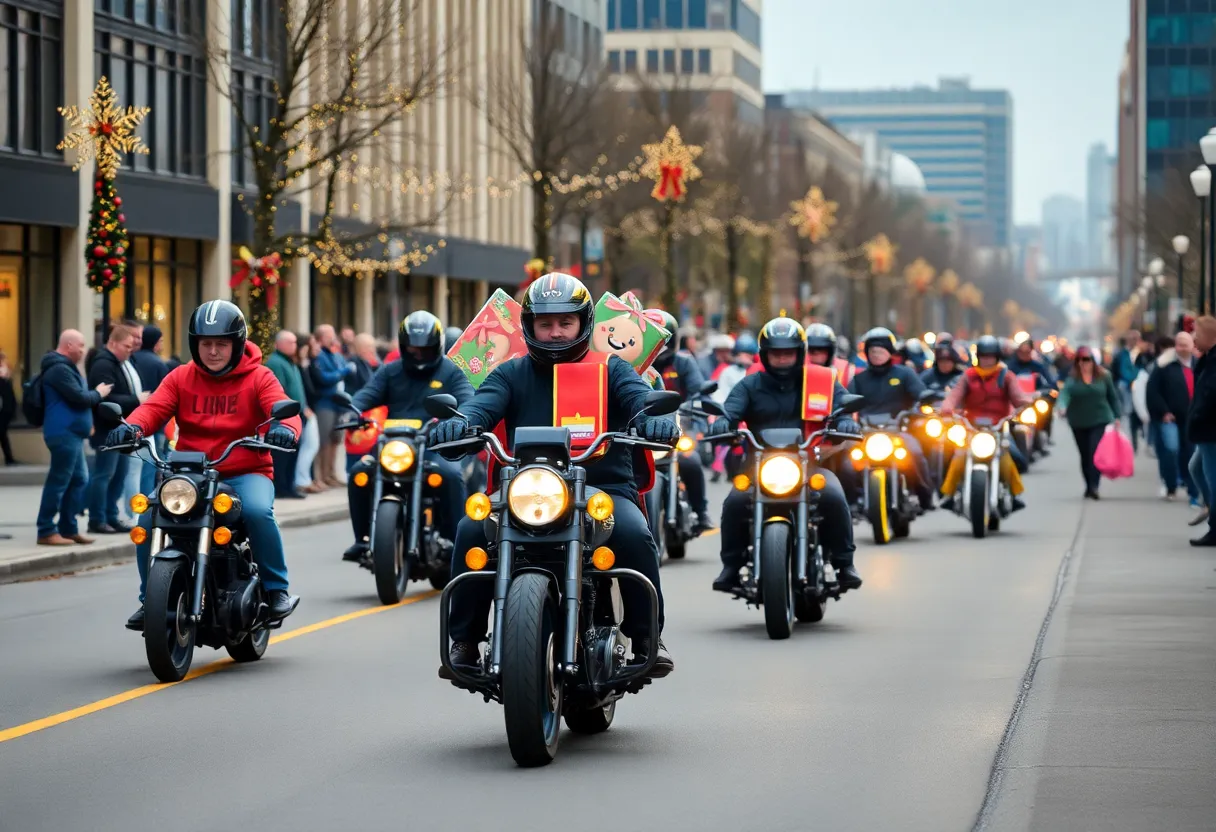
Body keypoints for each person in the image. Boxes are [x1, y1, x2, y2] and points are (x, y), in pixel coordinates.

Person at [430, 273, 677, 677]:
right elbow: (482, 407)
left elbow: (637, 400)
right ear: (529, 326)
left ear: (584, 324)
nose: (556, 332)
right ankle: (466, 640)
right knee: (471, 530)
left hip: (603, 488)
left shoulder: (612, 368)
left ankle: (648, 637)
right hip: (526, 492)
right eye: (545, 324)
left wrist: (652, 418)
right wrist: (461, 423)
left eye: (566, 323)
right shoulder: (511, 372)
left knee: (633, 532)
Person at [107, 300, 303, 630]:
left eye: (221, 344)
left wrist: (285, 429)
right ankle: (149, 600)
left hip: (245, 471)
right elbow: (153, 408)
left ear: (237, 343)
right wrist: (131, 427)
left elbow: (282, 410)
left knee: (257, 511)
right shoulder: (181, 376)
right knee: (148, 516)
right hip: (188, 474)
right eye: (206, 344)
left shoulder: (260, 376)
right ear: (195, 345)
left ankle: (276, 590)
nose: (213, 351)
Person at [708, 317, 863, 592]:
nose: (782, 359)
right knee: (735, 500)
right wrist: (724, 422)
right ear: (765, 355)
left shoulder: (821, 380)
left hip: (809, 465)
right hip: (757, 469)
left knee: (834, 494)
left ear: (799, 353)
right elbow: (730, 410)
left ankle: (843, 563)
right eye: (775, 353)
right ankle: (730, 566)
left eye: (788, 353)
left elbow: (842, 405)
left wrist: (846, 421)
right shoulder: (750, 384)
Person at [342, 311, 473, 562]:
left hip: (436, 444)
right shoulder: (390, 371)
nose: (419, 354)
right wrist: (352, 413)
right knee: (359, 473)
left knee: (449, 474)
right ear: (403, 346)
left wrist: (459, 420)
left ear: (438, 345)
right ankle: (363, 539)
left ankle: (457, 542)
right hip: (395, 444)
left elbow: (465, 400)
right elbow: (367, 394)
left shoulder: (451, 372)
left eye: (425, 349)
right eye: (413, 348)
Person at [938, 335, 1032, 511]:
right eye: (983, 357)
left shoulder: (1007, 376)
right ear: (978, 357)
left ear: (997, 357)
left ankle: (1014, 494)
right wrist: (946, 408)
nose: (987, 360)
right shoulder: (968, 376)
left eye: (990, 357)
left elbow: (1018, 397)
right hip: (971, 427)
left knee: (1008, 458)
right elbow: (954, 395)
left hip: (998, 427)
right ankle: (948, 495)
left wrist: (1026, 403)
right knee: (959, 456)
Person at [36, 330, 111, 545]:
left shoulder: (64, 368)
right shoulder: (59, 369)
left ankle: (68, 528)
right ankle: (46, 530)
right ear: (69, 345)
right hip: (63, 434)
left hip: (72, 434)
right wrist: (98, 393)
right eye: (80, 345)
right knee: (59, 480)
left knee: (79, 479)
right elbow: (79, 398)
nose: (83, 350)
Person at [847, 327, 935, 509]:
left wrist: (926, 398)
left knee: (915, 453)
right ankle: (852, 502)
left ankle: (924, 497)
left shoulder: (905, 374)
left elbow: (920, 393)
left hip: (898, 433)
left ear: (890, 353)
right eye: (872, 351)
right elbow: (847, 401)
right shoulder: (859, 379)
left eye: (880, 351)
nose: (876, 355)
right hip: (866, 435)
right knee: (847, 462)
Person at [650, 310, 713, 531]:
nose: (659, 346)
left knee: (690, 460)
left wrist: (696, 406)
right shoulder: (634, 364)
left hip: (680, 427)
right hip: (645, 432)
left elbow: (699, 392)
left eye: (664, 339)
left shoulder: (684, 363)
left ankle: (700, 511)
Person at [86, 321, 147, 534]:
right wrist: (136, 399)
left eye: (131, 348)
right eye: (126, 347)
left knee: (118, 475)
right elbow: (106, 399)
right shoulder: (104, 364)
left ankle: (111, 516)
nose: (129, 352)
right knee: (104, 475)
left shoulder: (116, 363)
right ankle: (98, 518)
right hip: (107, 429)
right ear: (113, 343)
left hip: (119, 428)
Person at [1059, 345, 1121, 500]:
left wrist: (1117, 416)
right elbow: (1065, 394)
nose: (1083, 363)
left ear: (1093, 361)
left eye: (1086, 360)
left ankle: (1094, 486)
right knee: (1084, 455)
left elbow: (1112, 397)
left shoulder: (1104, 376)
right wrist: (1062, 406)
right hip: (1078, 421)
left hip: (1099, 420)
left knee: (1095, 453)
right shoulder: (1072, 379)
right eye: (1079, 360)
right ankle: (1088, 485)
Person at [1146, 332, 1198, 504]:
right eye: (1179, 344)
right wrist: (1163, 412)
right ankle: (1170, 485)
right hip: (1170, 418)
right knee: (1171, 449)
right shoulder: (1164, 366)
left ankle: (1193, 491)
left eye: (1186, 344)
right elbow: (1153, 391)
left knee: (1190, 454)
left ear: (1192, 345)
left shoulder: (1199, 364)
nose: (1182, 347)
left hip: (1192, 418)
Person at [310, 324, 355, 488]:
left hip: (339, 403)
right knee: (324, 440)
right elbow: (323, 378)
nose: (333, 338)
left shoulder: (335, 355)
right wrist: (342, 372)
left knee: (336, 440)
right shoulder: (319, 356)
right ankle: (321, 475)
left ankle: (331, 473)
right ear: (321, 338)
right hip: (325, 402)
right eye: (329, 335)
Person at [129, 325, 170, 496]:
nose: (161, 345)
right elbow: (167, 396)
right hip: (156, 424)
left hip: (133, 419)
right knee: (151, 468)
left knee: (131, 471)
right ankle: (147, 502)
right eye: (160, 341)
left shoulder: (131, 360)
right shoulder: (158, 364)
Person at [266, 330, 307, 499]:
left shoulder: (289, 361)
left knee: (293, 453)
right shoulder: (276, 362)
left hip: (296, 414)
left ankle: (289, 486)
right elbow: (279, 390)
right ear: (279, 344)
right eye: (290, 343)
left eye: (295, 343)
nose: (294, 346)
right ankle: (282, 487)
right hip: (284, 416)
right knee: (283, 454)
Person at [1187, 317, 1216, 545]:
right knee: (1196, 468)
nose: (1193, 339)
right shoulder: (1208, 359)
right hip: (1205, 429)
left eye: (1197, 334)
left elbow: (1209, 395)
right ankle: (1210, 507)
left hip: (1210, 429)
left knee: (1212, 477)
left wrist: (1197, 416)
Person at [0, 349, 16, 464]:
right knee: (2, 432)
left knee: (2, 432)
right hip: (4, 407)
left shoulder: (6, 378)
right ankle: (9, 458)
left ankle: (9, 458)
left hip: (5, 408)